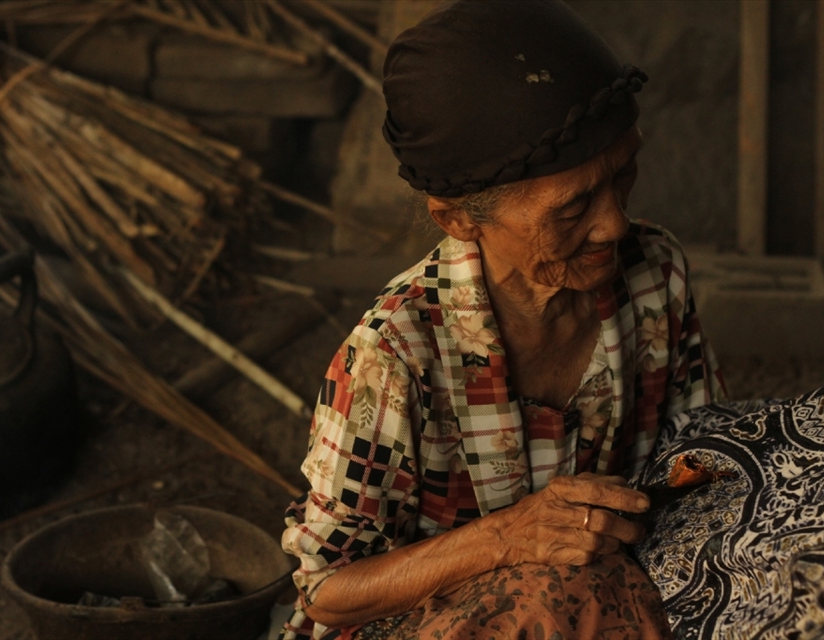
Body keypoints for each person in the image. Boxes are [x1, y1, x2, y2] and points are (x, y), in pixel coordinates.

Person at [282, 1, 725, 638]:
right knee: (556, 594)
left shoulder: (654, 272)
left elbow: (702, 450)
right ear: (459, 219)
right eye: (572, 210)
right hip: (435, 621)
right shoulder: (394, 356)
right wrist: (507, 539)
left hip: (607, 595)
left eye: (623, 173)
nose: (615, 224)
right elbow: (324, 590)